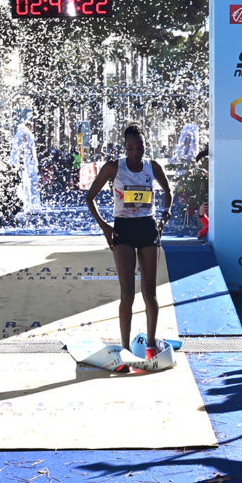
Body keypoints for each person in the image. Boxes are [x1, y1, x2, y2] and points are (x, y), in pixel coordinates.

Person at [85, 124, 172, 357]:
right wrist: (105, 227)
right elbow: (89, 197)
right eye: (131, 148)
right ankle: (124, 348)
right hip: (122, 230)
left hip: (147, 228)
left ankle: (151, 344)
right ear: (125, 148)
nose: (136, 153)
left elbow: (168, 193)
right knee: (127, 294)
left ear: (145, 147)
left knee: (150, 293)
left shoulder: (153, 167)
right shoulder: (114, 167)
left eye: (140, 148)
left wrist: (164, 216)